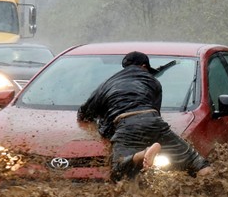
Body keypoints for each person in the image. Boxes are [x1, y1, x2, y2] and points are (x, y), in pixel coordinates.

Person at [77, 51, 213, 181]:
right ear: (144, 66)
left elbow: (84, 113)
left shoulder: (106, 85)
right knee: (197, 162)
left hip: (126, 124)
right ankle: (211, 190)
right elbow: (155, 113)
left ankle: (143, 154)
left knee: (117, 170)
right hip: (153, 120)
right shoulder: (153, 82)